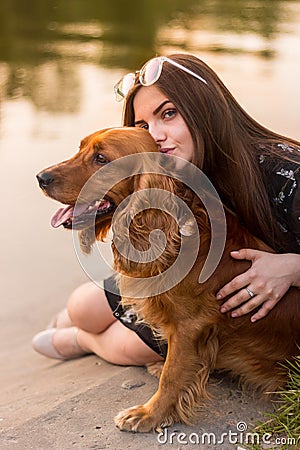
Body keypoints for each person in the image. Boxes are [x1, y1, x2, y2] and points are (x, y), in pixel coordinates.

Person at [32, 53, 300, 364]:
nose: (155, 136)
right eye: (143, 125)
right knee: (82, 307)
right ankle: (79, 325)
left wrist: (293, 267)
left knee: (126, 346)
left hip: (262, 315)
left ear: (206, 110)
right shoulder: (172, 170)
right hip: (193, 289)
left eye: (169, 114)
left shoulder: (287, 173)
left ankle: (83, 341)